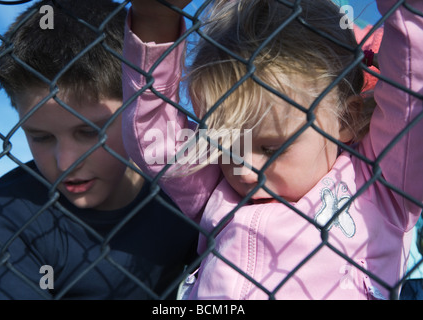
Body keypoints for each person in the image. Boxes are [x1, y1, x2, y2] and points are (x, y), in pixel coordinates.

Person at [122, 0, 423, 299]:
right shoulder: (216, 189)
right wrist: (154, 20)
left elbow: (412, 94)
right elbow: (155, 138)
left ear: (348, 117)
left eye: (272, 148)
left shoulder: (381, 188)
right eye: (227, 146)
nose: (247, 171)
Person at [0, 0, 198, 300]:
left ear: (137, 114)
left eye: (90, 131)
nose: (65, 162)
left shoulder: (187, 190)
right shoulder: (3, 211)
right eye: (40, 137)